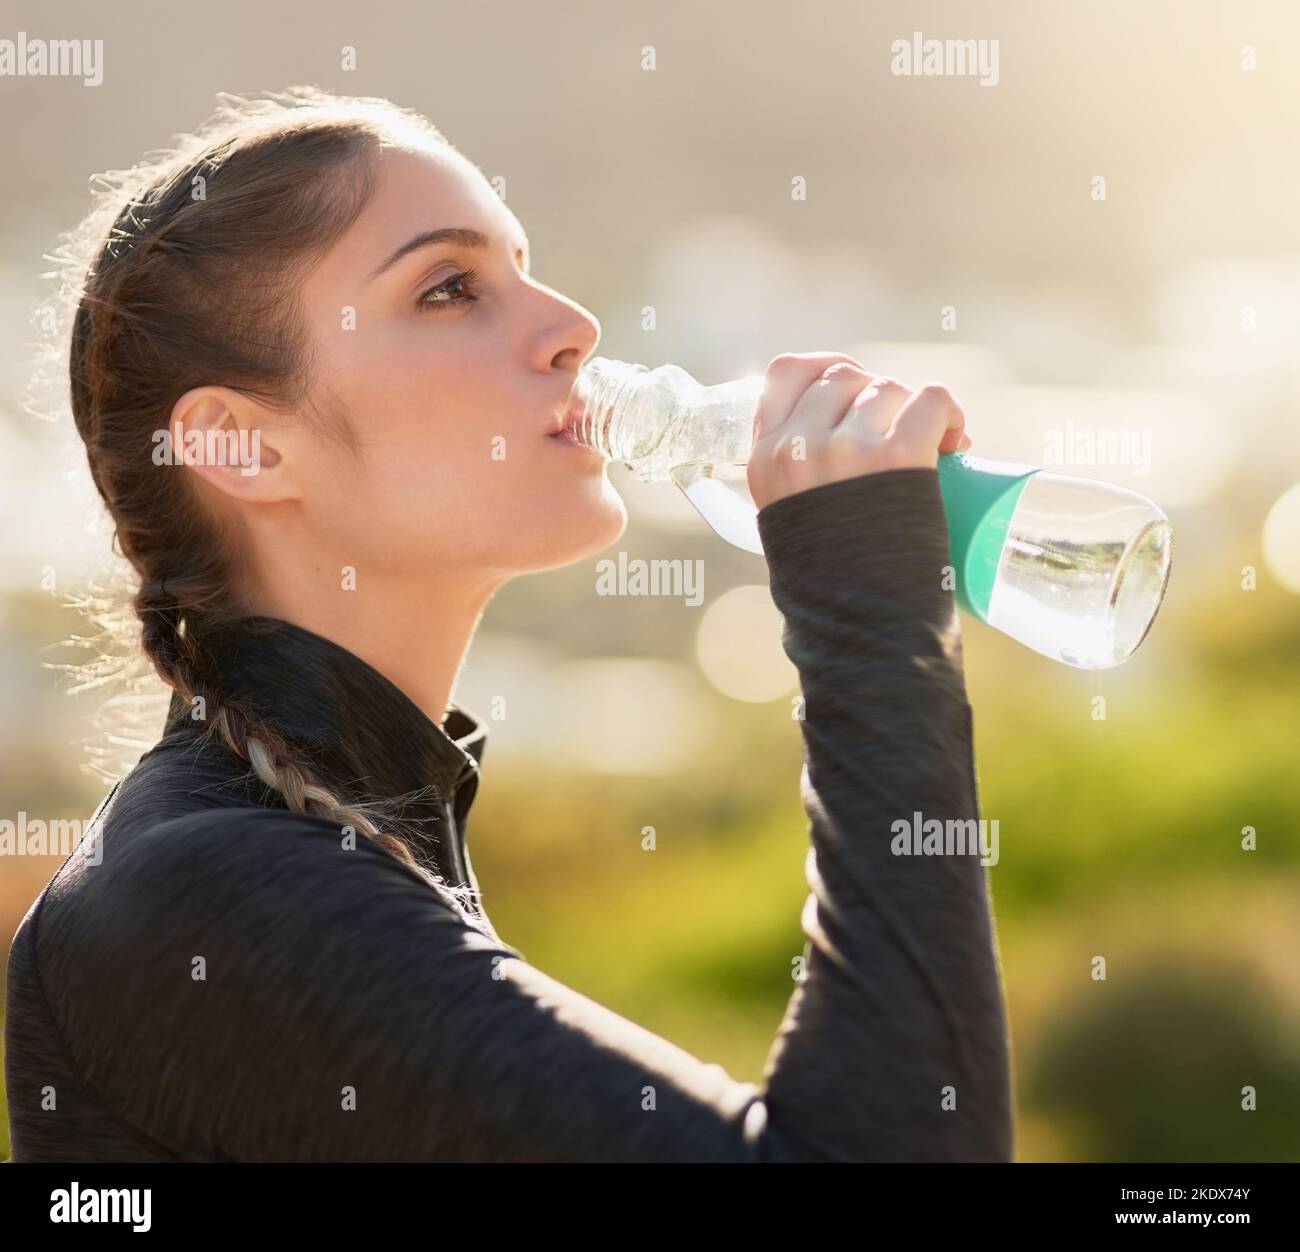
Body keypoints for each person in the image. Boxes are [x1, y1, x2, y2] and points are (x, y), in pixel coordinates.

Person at [3, 86, 1011, 1162]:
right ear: (242, 447)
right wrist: (865, 602)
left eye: (522, 266)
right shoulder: (199, 896)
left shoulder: (333, 834)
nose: (573, 326)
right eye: (449, 289)